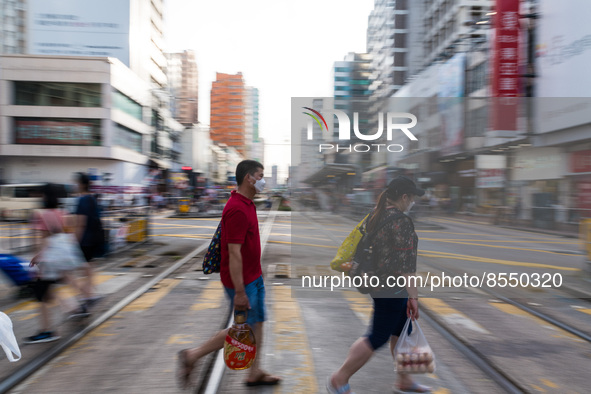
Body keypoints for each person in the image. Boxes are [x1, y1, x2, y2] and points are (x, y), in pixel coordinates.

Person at [177, 160, 281, 389]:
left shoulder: (247, 203)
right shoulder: (237, 209)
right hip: (242, 281)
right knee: (242, 329)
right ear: (249, 178)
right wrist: (240, 292)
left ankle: (254, 372)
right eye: (261, 175)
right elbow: (233, 254)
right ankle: (192, 355)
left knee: (258, 323)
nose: (264, 180)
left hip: (254, 276)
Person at [327, 176, 431, 394]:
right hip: (391, 288)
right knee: (377, 336)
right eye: (412, 198)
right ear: (404, 197)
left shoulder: (376, 214)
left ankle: (404, 380)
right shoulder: (401, 222)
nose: (413, 202)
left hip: (378, 284)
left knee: (401, 331)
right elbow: (407, 267)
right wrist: (414, 298)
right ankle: (340, 377)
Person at [25, 183, 90, 344]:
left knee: (41, 295)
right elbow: (69, 234)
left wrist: (38, 257)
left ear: (44, 197)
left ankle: (47, 331)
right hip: (62, 259)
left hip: (49, 261)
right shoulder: (64, 213)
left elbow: (43, 241)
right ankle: (78, 307)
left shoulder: (40, 215)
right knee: (60, 283)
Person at [74, 172, 104, 301]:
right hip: (94, 239)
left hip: (85, 240)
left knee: (85, 268)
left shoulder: (82, 200)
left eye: (76, 183)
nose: (74, 185)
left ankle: (87, 294)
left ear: (81, 184)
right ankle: (89, 293)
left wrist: (75, 241)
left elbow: (81, 224)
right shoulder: (92, 198)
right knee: (89, 267)